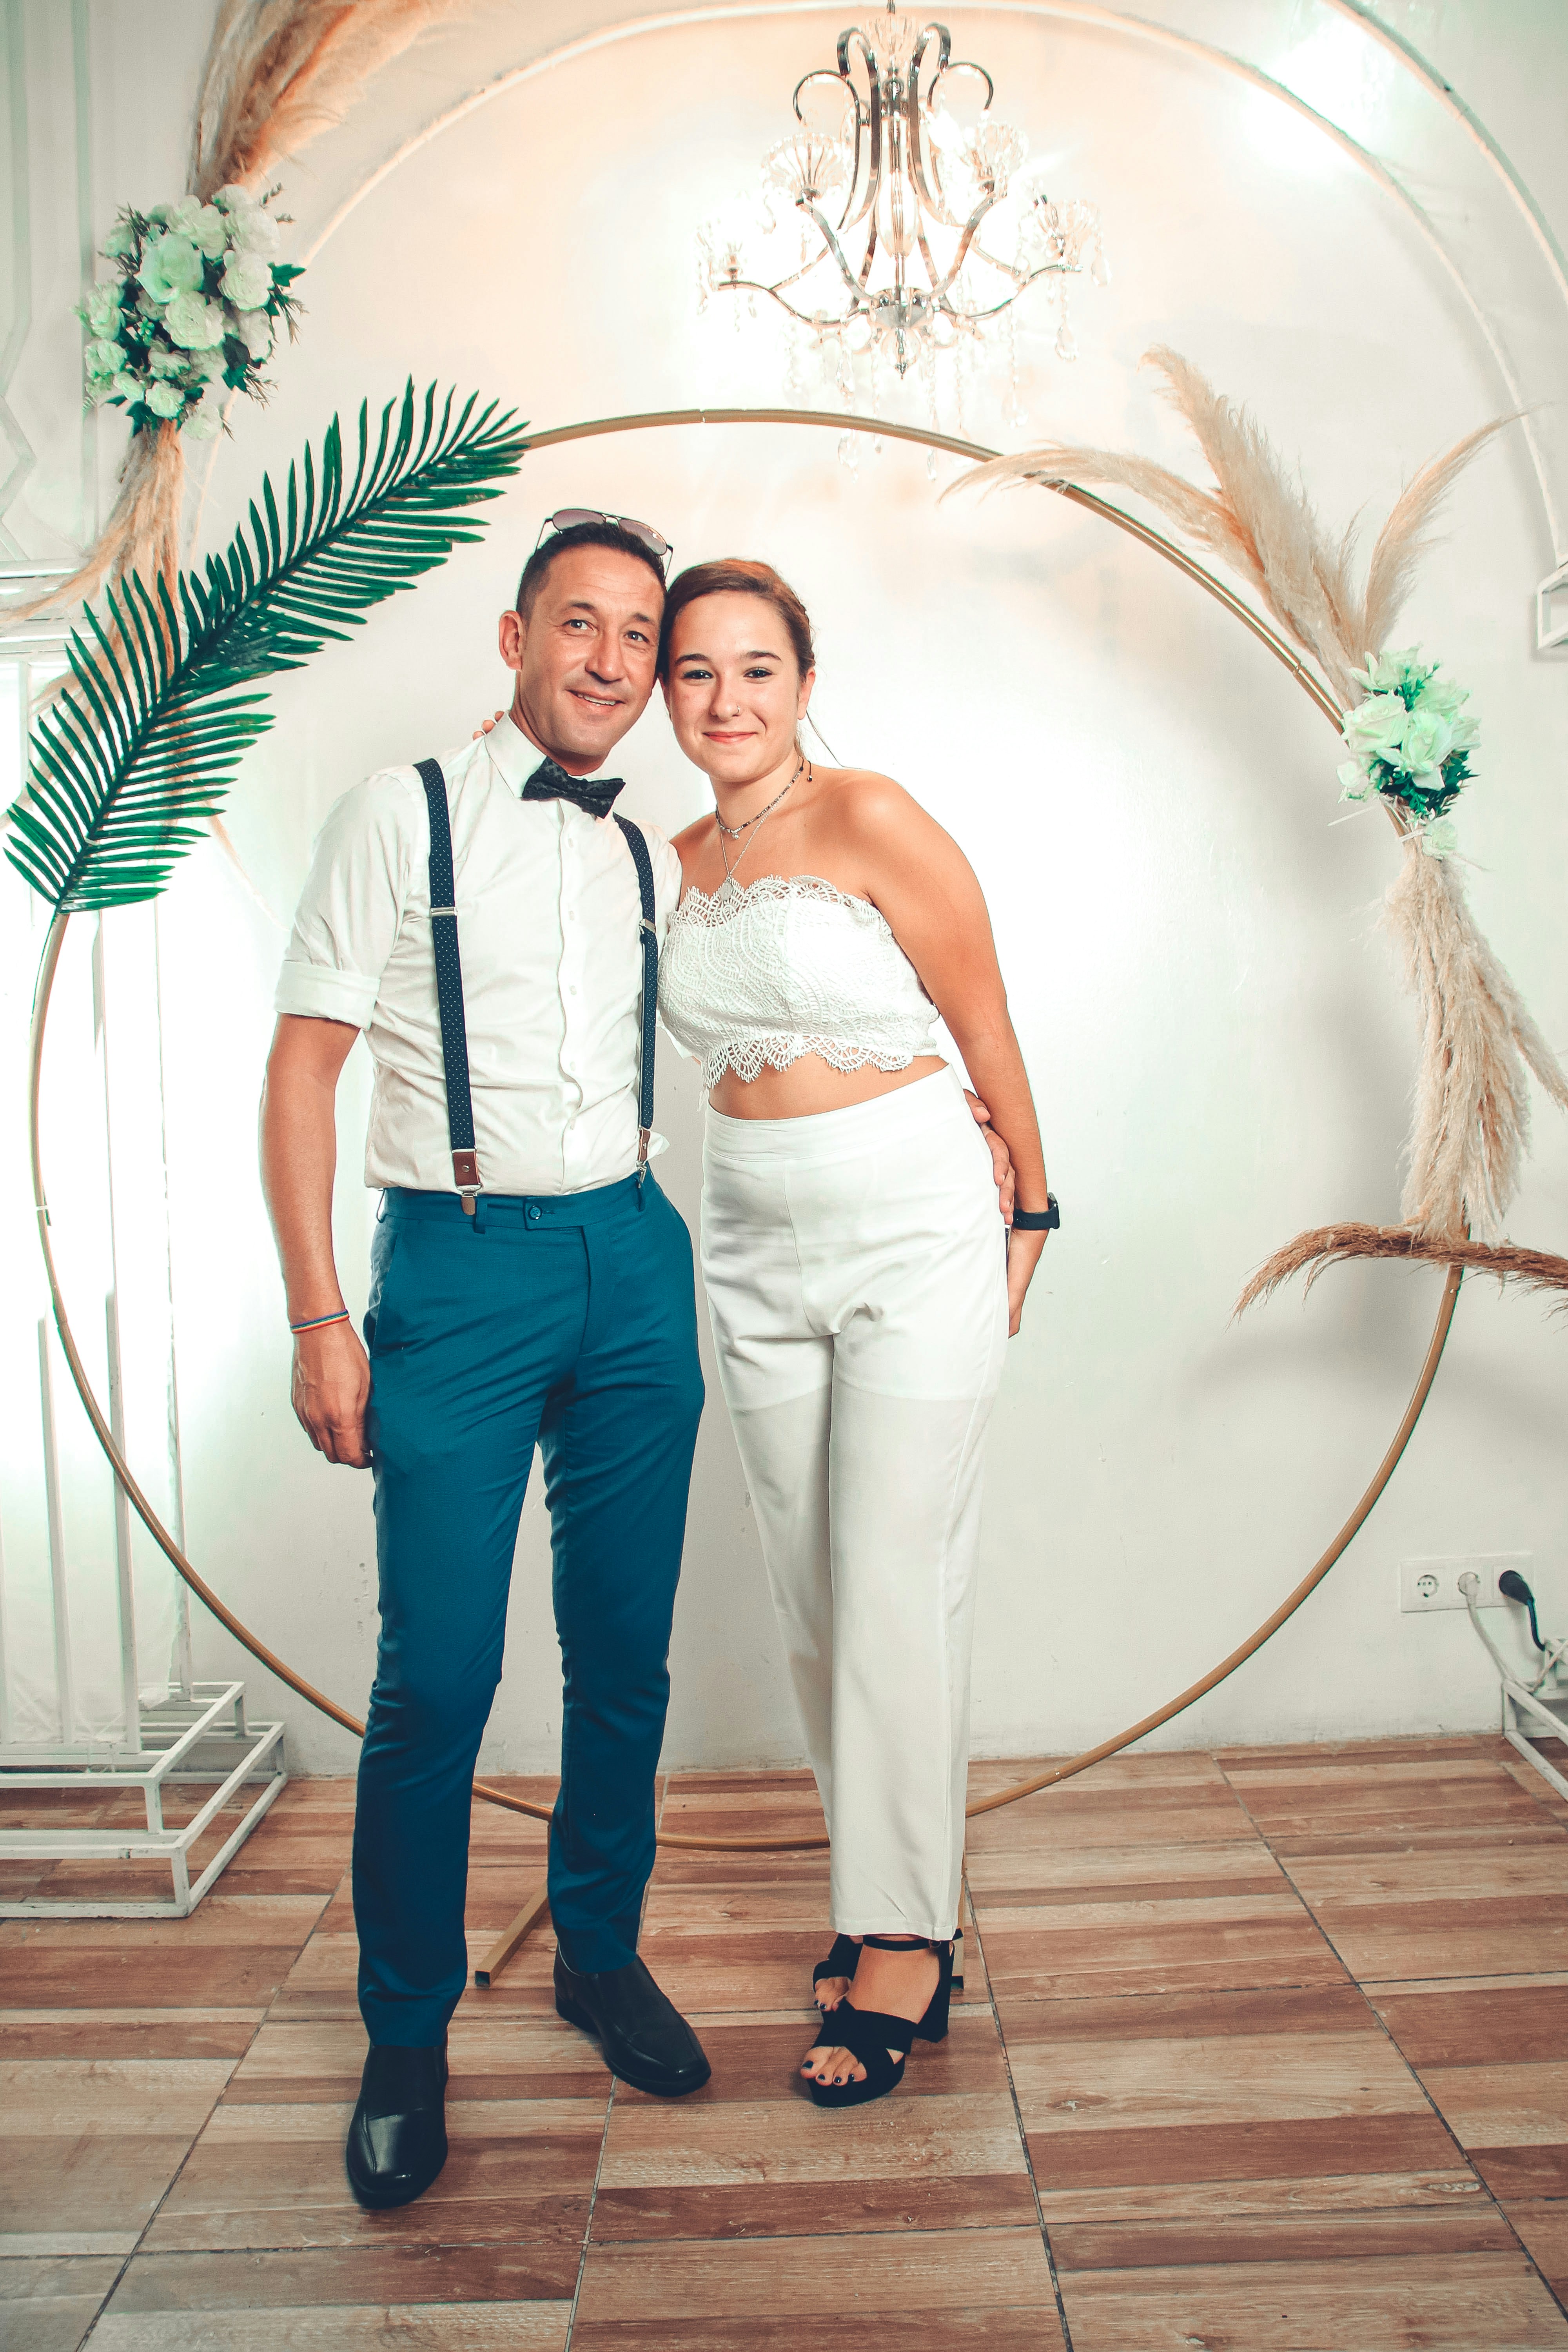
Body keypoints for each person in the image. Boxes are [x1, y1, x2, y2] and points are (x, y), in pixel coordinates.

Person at [259, 512, 715, 2214]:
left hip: (634, 1261)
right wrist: (319, 1315)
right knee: (437, 1676)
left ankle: (598, 1950)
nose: (611, 660)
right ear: (514, 638)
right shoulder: (400, 813)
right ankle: (406, 2029)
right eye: (579, 623)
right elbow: (300, 1073)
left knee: (625, 1653)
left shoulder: (648, 853)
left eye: (638, 634)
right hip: (454, 1273)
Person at [655, 558, 1054, 2109]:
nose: (727, 699)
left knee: (893, 1571)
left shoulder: (872, 815)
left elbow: (984, 1015)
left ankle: (899, 1939)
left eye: (757, 668)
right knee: (817, 1595)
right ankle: (898, 1887)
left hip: (909, 1216)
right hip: (749, 1233)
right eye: (697, 671)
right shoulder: (675, 859)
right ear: (669, 694)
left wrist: (1032, 1208)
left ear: (805, 682)